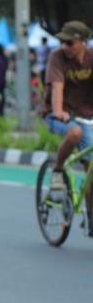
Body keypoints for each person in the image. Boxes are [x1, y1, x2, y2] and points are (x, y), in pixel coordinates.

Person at [43, 21, 93, 195]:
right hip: (59, 114)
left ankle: (89, 219)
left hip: (86, 116)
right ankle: (57, 170)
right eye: (63, 42)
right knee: (75, 132)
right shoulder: (57, 57)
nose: (65, 47)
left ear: (84, 42)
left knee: (90, 172)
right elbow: (58, 86)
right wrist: (58, 111)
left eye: (70, 43)